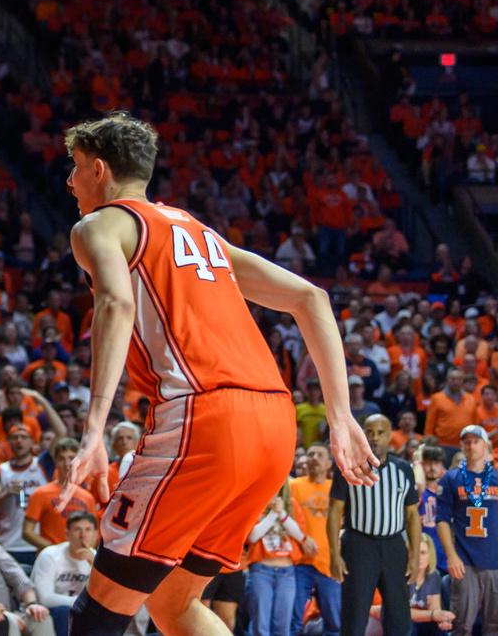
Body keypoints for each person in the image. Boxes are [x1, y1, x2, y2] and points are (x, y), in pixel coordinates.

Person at [55, 112, 377, 636]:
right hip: (275, 426)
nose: (69, 182)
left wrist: (94, 428)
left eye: (74, 167)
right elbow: (311, 298)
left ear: (99, 169)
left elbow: (116, 303)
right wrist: (340, 418)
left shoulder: (98, 225)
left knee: (98, 612)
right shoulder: (199, 233)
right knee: (173, 604)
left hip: (205, 417)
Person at [328, 414, 420, 636]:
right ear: (362, 434)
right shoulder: (348, 466)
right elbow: (334, 512)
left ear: (390, 436)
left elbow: (412, 515)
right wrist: (334, 553)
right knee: (354, 615)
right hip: (359, 545)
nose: (375, 437)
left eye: (381, 432)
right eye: (370, 432)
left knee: (399, 616)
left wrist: (415, 555)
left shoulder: (404, 469)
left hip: (394, 545)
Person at [435, 425, 498, 636]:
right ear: (461, 445)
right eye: (467, 441)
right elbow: (442, 520)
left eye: (476, 441)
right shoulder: (450, 478)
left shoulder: (497, 477)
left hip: (495, 561)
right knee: (461, 626)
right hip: (464, 562)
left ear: (486, 445)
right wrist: (451, 556)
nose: (471, 446)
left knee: (494, 626)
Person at [289, 442, 340, 636]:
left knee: (334, 624)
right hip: (298, 562)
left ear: (329, 463)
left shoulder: (336, 489)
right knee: (293, 622)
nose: (314, 458)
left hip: (328, 564)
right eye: (311, 454)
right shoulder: (293, 486)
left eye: (320, 455)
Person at [245, 481, 305, 636]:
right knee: (260, 627)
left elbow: (300, 535)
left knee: (283, 628)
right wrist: (273, 515)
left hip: (287, 573)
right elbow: (252, 536)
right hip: (261, 571)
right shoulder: (255, 502)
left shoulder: (291, 503)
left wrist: (282, 514)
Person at [30, 511, 98, 636]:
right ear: (67, 534)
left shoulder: (98, 560)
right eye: (77, 529)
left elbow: (106, 598)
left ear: (95, 535)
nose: (83, 535)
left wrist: (96, 568)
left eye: (88, 530)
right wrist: (80, 602)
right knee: (65, 612)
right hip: (48, 612)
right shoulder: (50, 555)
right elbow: (45, 598)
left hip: (83, 611)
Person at [23, 438, 96, 551]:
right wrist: (56, 551)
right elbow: (27, 532)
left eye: (71, 458)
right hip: (51, 558)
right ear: (55, 462)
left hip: (80, 557)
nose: (67, 464)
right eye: (61, 459)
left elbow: (94, 535)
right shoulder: (40, 494)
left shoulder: (88, 497)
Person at [373, 533, 453, 635]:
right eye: (415, 553)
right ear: (407, 554)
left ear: (430, 555)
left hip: (423, 621)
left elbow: (435, 608)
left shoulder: (434, 576)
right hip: (400, 622)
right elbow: (400, 612)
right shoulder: (398, 576)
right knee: (408, 625)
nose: (419, 557)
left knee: (438, 629)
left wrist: (442, 620)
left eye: (423, 553)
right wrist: (433, 615)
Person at [0, 425, 51, 565]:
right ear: (8, 442)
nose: (19, 441)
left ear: (32, 441)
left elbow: (61, 433)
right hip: (9, 544)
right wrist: (6, 493)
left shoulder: (43, 465)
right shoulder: (0, 470)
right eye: (15, 437)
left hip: (38, 543)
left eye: (24, 437)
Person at [418, 446, 449, 574]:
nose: (432, 468)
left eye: (436, 463)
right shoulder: (417, 491)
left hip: (443, 554)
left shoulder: (447, 492)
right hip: (421, 554)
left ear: (442, 465)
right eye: (428, 463)